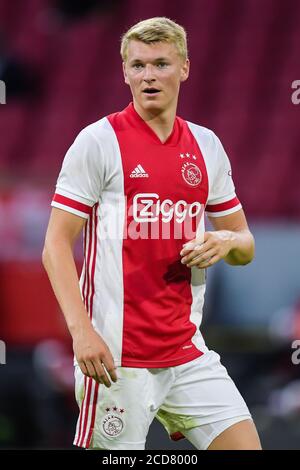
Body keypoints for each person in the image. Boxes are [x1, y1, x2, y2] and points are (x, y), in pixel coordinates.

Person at [42, 17, 262, 450]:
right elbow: (54, 244)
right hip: (116, 360)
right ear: (124, 72)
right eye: (138, 66)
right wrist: (81, 332)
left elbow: (245, 244)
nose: (148, 76)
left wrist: (227, 242)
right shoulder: (98, 142)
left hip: (187, 352)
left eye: (160, 64)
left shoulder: (206, 146)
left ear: (184, 68)